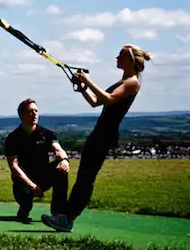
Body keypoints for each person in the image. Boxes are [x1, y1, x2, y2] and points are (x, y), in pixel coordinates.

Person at [41, 44, 152, 232]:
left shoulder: (132, 82)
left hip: (105, 135)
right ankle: (65, 217)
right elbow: (95, 101)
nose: (117, 58)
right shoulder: (122, 81)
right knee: (83, 177)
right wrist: (83, 86)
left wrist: (88, 80)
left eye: (121, 55)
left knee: (86, 179)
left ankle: (67, 219)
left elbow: (108, 99)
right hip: (100, 133)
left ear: (131, 60)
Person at [5, 98, 71, 224]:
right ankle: (24, 210)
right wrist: (32, 186)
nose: (35, 114)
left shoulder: (47, 134)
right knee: (25, 197)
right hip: (24, 180)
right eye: (30, 111)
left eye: (36, 111)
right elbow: (14, 166)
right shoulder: (13, 138)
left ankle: (59, 214)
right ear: (22, 115)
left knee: (61, 169)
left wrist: (64, 160)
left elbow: (58, 149)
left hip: (43, 175)